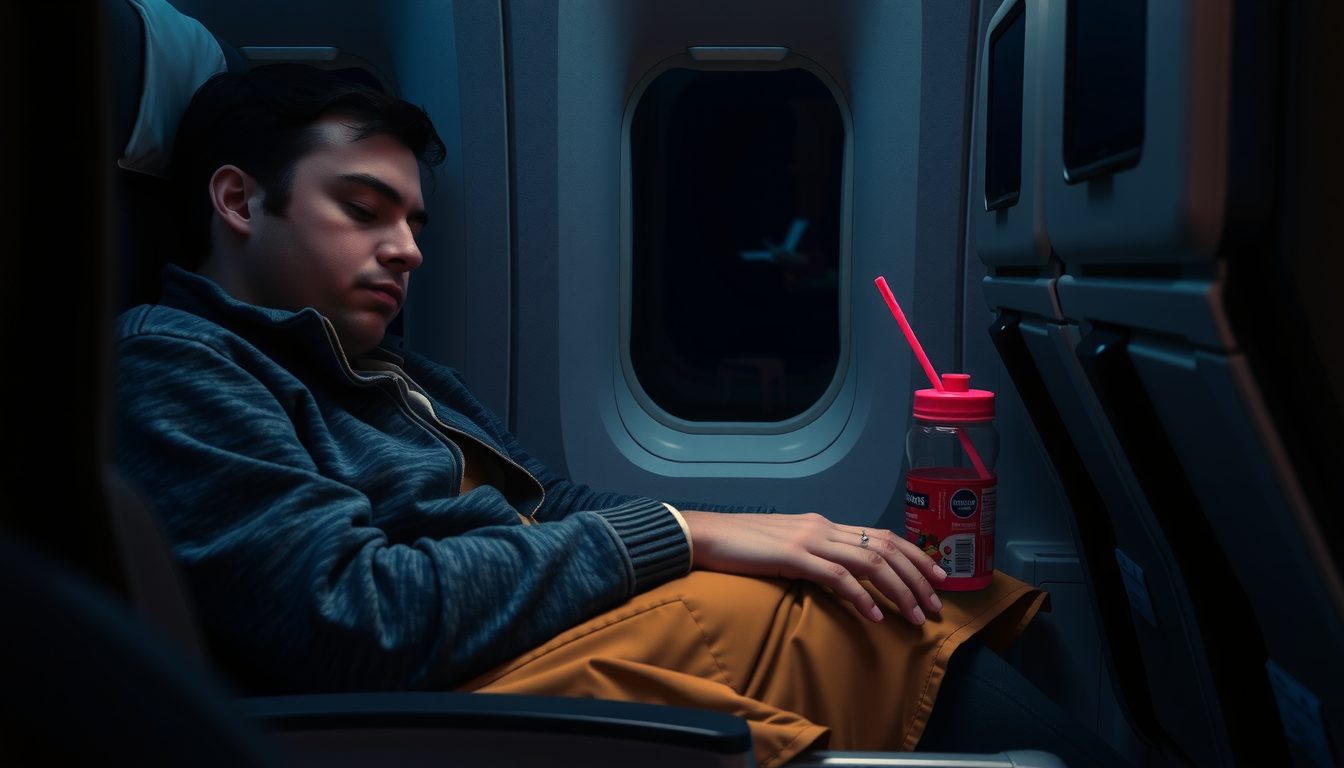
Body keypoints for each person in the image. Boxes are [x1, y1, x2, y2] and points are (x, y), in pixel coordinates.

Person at [115, 63, 1128, 768]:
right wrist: (682, 537)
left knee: (863, 580)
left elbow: (549, 500)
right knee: (857, 625)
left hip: (514, 641)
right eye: (364, 208)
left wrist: (755, 532)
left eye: (414, 220)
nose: (410, 249)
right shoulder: (176, 360)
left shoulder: (387, 371)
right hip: (442, 695)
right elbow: (353, 615)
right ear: (241, 202)